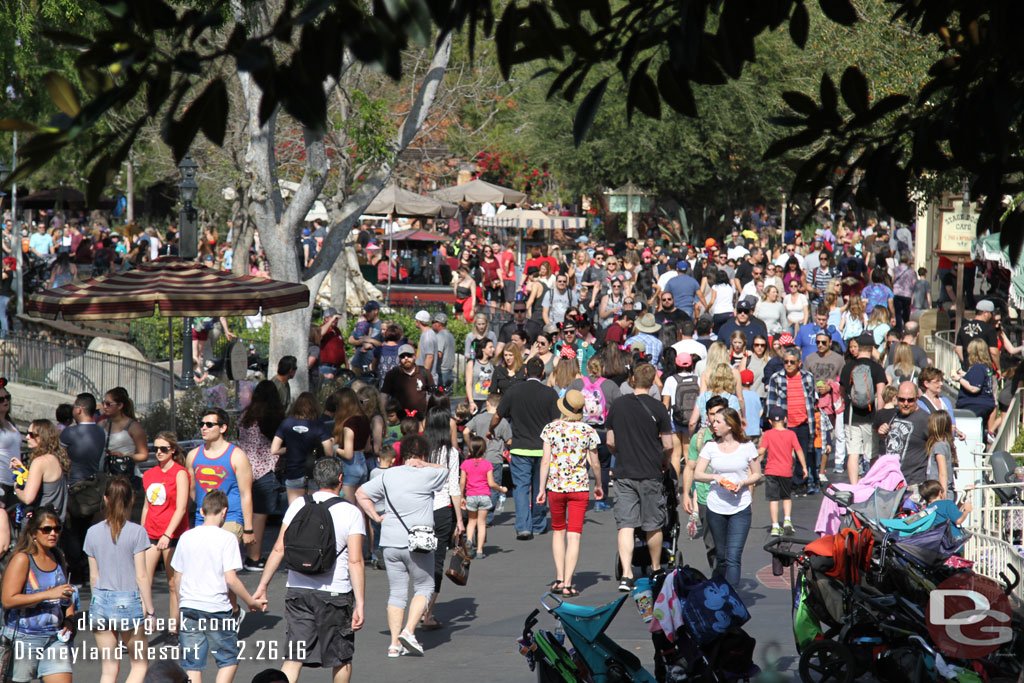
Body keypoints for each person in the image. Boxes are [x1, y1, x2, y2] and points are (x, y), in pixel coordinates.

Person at [356, 437, 443, 657]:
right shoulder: (427, 474)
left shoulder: (387, 475)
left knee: (396, 592)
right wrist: (426, 464)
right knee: (425, 586)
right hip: (418, 543)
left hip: (390, 541)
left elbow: (360, 494)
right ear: (423, 455)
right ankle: (409, 631)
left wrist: (376, 516)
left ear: (402, 454)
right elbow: (446, 470)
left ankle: (394, 644)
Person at [171, 490, 267, 683]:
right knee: (228, 660)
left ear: (201, 511)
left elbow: (177, 579)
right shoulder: (227, 538)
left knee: (192, 665)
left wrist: (178, 610)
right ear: (224, 512)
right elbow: (230, 579)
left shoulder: (186, 537)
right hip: (216, 607)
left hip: (189, 606)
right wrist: (250, 602)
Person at [607, 363, 673, 591]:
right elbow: (668, 443)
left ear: (631, 380)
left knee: (626, 524)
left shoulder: (618, 405)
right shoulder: (658, 408)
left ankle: (626, 574)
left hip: (624, 471)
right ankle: (655, 568)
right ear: (654, 381)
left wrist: (620, 454)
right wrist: (665, 460)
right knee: (653, 524)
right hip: (650, 472)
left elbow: (610, 441)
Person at [85, 476, 154, 683]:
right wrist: (150, 610)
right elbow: (141, 575)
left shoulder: (92, 533)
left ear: (106, 499)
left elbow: (94, 576)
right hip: (128, 600)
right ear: (132, 499)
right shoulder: (137, 532)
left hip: (101, 600)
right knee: (140, 664)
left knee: (108, 669)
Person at [537, 390, 602, 598]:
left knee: (558, 531)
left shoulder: (551, 429)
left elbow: (545, 461)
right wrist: (599, 484)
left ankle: (558, 578)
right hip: (579, 488)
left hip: (556, 487)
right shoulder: (588, 431)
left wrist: (541, 488)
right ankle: (568, 583)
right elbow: (595, 462)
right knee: (574, 536)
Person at [0, 505, 76, 683]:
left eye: (57, 529)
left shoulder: (57, 557)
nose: (53, 533)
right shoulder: (22, 559)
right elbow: (8, 599)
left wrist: (70, 619)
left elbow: (65, 596)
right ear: (34, 533)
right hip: (24, 638)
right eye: (46, 529)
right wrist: (47, 595)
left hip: (54, 638)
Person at [491, 357, 560, 540]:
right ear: (543, 374)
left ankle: (523, 526)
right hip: (543, 449)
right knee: (540, 486)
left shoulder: (514, 391)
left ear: (526, 373)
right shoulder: (550, 394)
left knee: (521, 487)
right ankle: (538, 523)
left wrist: (491, 429)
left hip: (520, 447)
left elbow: (498, 415)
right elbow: (556, 423)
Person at [693, 407, 762, 587]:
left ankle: (731, 597)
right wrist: (715, 477)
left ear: (730, 425)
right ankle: (720, 591)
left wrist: (743, 483)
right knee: (721, 556)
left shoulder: (747, 447)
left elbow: (757, 474)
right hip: (716, 507)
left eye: (717, 422)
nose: (713, 425)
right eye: (713, 421)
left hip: (741, 507)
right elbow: (697, 474)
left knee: (733, 556)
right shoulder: (710, 447)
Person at [420, 406, 464, 631]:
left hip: (419, 510)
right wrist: (459, 519)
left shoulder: (420, 450)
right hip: (442, 510)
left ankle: (419, 606)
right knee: (436, 562)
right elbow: (454, 487)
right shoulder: (451, 453)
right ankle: (427, 612)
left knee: (419, 560)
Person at [186, 408, 256, 547]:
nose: (204, 428)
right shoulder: (193, 455)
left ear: (223, 428)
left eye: (209, 425)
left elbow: (246, 494)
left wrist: (248, 528)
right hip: (202, 518)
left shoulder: (237, 456)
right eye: (202, 424)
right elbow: (191, 492)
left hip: (230, 518)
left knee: (222, 563)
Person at [766, 347, 829, 495]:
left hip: (803, 422)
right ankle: (785, 483)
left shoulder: (807, 377)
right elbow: (771, 403)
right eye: (786, 361)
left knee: (804, 454)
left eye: (792, 362)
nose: (788, 364)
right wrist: (773, 423)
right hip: (785, 424)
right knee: (784, 456)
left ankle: (800, 483)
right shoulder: (776, 378)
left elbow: (812, 400)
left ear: (799, 363)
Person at [236, 380, 285, 571]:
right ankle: (254, 557)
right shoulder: (271, 417)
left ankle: (242, 554)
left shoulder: (245, 416)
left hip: (243, 468)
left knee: (244, 513)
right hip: (264, 470)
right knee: (259, 515)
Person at [141, 432, 189, 623]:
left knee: (173, 583)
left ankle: (174, 628)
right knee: (143, 581)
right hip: (151, 533)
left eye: (163, 449)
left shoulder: (180, 473)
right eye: (156, 449)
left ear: (173, 450)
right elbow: (147, 506)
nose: (159, 452)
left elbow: (182, 508)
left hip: (173, 535)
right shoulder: (149, 474)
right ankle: (138, 629)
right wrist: (141, 531)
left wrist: (168, 534)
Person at [681, 396, 729, 572]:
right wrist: (686, 494)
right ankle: (718, 579)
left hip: (730, 498)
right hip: (705, 498)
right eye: (712, 414)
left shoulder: (736, 437)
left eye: (720, 413)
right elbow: (690, 467)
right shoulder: (699, 438)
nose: (715, 418)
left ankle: (728, 579)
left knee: (730, 546)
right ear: (707, 416)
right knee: (711, 544)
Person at [838, 334, 887, 484]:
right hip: (871, 418)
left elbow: (842, 391)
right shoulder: (877, 368)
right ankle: (871, 484)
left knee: (853, 453)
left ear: (858, 348)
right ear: (872, 349)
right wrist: (880, 418)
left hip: (851, 416)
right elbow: (881, 394)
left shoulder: (848, 367)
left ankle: (854, 485)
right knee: (872, 454)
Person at [272, 393, 334, 503]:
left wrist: (289, 448)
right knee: (314, 508)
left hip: (293, 472)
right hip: (313, 472)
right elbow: (329, 452)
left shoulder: (286, 423)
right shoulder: (318, 425)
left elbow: (274, 450)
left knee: (295, 511)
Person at [758, 407, 807, 536]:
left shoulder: (768, 434)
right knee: (786, 497)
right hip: (786, 471)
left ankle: (775, 526)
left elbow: (761, 451)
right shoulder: (791, 434)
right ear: (785, 419)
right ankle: (787, 520)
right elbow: (799, 450)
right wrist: (804, 467)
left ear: (770, 421)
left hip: (771, 471)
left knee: (773, 499)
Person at [12, 420, 70, 521]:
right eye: (26, 433)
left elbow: (27, 498)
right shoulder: (56, 458)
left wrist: (17, 486)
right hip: (55, 521)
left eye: (31, 435)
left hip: (38, 522)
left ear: (42, 437)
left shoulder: (40, 462)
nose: (27, 437)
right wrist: (22, 469)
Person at [460, 435, 507, 559]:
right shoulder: (487, 464)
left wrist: (461, 496)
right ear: (484, 450)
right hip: (484, 495)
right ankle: (480, 550)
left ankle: (469, 541)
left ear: (470, 450)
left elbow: (462, 482)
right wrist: (501, 489)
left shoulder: (465, 464)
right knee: (481, 523)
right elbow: (491, 483)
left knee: (471, 522)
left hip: (471, 495)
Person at [878, 382, 931, 489]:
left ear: (917, 398)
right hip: (891, 481)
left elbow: (939, 446)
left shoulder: (925, 419)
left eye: (910, 400)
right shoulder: (895, 414)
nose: (905, 403)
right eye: (901, 400)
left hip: (912, 483)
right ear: (896, 398)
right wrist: (884, 434)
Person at [955, 337, 1001, 438]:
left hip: (975, 406)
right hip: (986, 403)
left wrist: (959, 379)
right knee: (981, 431)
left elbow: (974, 388)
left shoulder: (977, 367)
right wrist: (965, 375)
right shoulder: (985, 367)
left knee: (971, 434)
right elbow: (977, 379)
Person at [101, 387, 150, 480]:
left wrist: (124, 456)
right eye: (103, 403)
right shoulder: (103, 423)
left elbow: (144, 455)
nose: (104, 407)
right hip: (108, 475)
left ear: (120, 406)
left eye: (108, 404)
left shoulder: (133, 427)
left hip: (126, 475)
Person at [332, 388, 371, 502]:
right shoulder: (365, 419)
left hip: (350, 465)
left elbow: (348, 454)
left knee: (349, 505)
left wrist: (335, 448)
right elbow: (368, 447)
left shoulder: (349, 423)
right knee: (363, 506)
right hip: (362, 463)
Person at [382, 343, 435, 418]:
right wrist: (383, 414)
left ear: (414, 356)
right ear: (399, 359)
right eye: (402, 356)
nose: (406, 358)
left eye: (409, 355)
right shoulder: (392, 374)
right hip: (399, 419)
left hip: (421, 418)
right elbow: (384, 396)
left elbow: (434, 395)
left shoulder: (424, 372)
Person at [925, 411, 957, 500]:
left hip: (938, 493)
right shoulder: (944, 443)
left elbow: (942, 473)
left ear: (935, 426)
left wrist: (943, 493)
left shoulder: (939, 445)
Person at [347, 301, 382, 374]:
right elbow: (350, 340)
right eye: (366, 311)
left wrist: (371, 341)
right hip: (357, 364)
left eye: (369, 311)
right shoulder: (363, 323)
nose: (366, 313)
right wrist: (360, 342)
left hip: (371, 366)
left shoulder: (382, 326)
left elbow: (384, 345)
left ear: (376, 311)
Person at [465, 337, 497, 412]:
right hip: (475, 400)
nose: (493, 349)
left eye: (493, 347)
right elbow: (468, 384)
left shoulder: (493, 365)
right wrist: (471, 402)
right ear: (483, 349)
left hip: (489, 400)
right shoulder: (472, 363)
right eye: (490, 347)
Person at [431, 312, 457, 392]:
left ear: (439, 323)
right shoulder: (450, 335)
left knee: (439, 399)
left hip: (441, 373)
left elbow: (439, 354)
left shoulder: (440, 336)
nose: (431, 324)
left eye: (433, 322)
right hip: (449, 372)